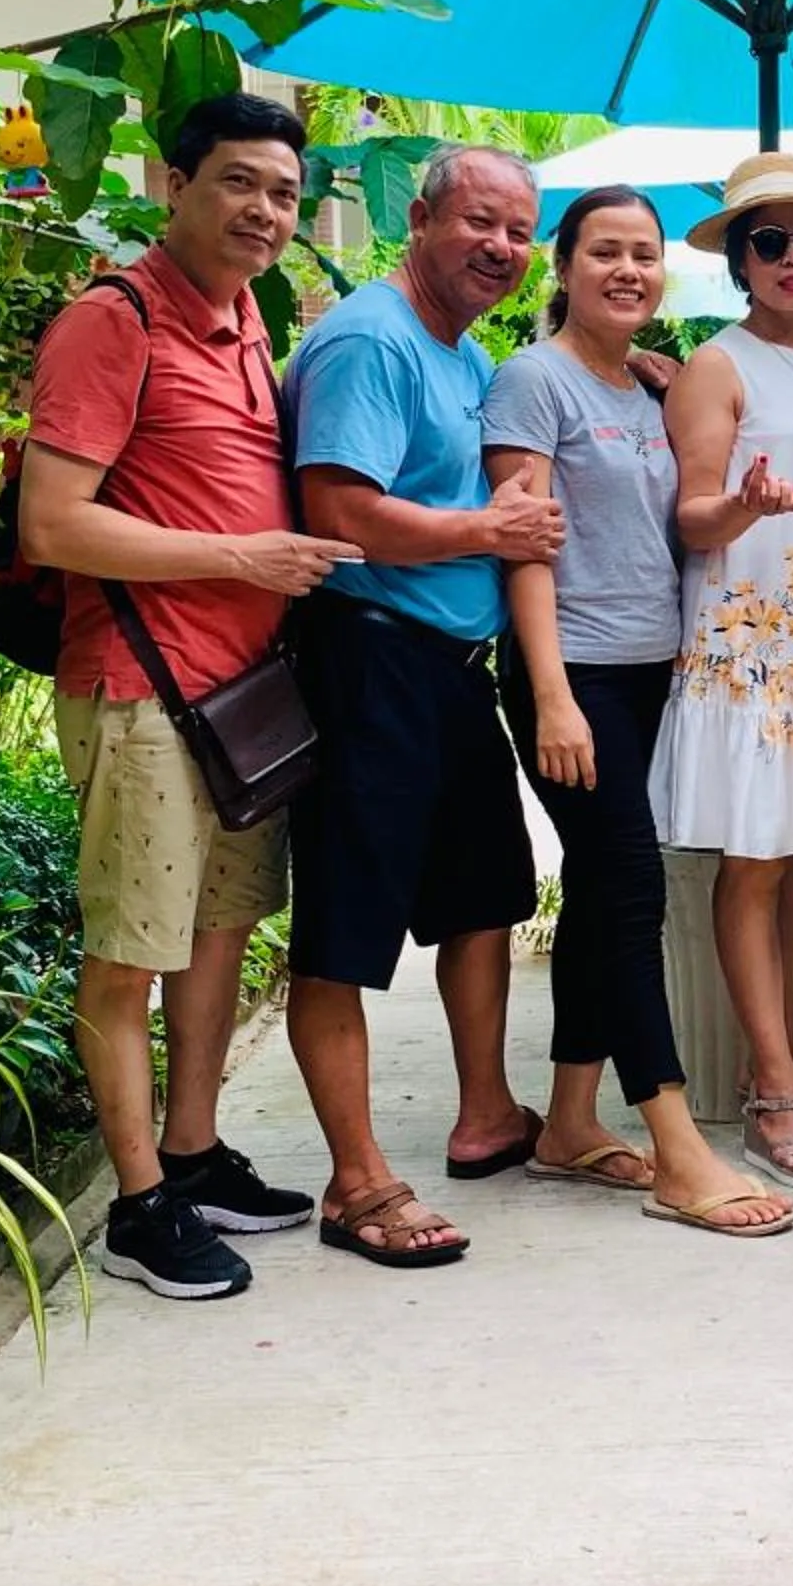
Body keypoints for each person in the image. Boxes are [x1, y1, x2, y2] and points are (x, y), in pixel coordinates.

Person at [19, 92, 363, 1300]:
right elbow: (54, 521)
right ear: (173, 187)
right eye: (236, 183)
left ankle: (195, 1149)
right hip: (139, 692)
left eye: (280, 190)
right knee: (129, 957)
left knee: (218, 937)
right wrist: (239, 560)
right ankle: (138, 1205)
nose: (263, 211)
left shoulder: (246, 320)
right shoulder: (113, 323)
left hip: (241, 699)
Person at [483, 188, 793, 1239]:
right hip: (571, 674)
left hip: (654, 670)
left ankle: (570, 1122)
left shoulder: (644, 385)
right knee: (628, 892)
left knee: (606, 889)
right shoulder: (535, 381)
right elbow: (523, 540)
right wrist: (555, 698)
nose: (627, 270)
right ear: (562, 266)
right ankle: (675, 1145)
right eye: (604, 251)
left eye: (645, 254)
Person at [279, 144, 565, 1268]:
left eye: (517, 231)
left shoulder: (463, 351)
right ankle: (356, 1183)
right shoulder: (367, 337)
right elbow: (337, 511)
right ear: (421, 218)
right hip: (369, 659)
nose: (500, 247)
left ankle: (486, 1113)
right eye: (479, 223)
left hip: (447, 670)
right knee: (346, 931)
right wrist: (487, 533)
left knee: (483, 896)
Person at [651, 154, 793, 1195]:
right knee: (752, 863)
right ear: (740, 258)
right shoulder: (714, 365)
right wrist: (743, 503)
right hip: (748, 650)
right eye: (771, 241)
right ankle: (771, 1089)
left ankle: (784, 1069)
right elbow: (692, 514)